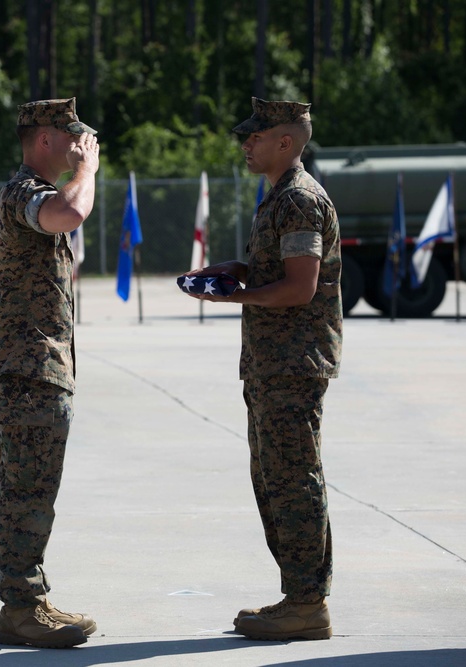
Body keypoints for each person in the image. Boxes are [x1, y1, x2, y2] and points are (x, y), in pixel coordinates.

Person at [179, 97, 342, 641]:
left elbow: (301, 287)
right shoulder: (278, 199)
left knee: (293, 480)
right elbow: (286, 269)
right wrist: (238, 270)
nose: (245, 144)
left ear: (286, 143)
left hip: (292, 363)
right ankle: (298, 595)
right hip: (274, 363)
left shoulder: (298, 199)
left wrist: (237, 297)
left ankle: (306, 601)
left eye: (255, 136)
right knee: (275, 479)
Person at [0, 97, 100, 649]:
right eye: (70, 134)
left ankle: (29, 600)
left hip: (36, 364)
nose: (80, 143)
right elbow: (70, 214)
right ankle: (21, 608)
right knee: (27, 487)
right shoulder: (25, 192)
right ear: (43, 138)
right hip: (25, 365)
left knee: (33, 486)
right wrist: (87, 171)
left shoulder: (33, 190)